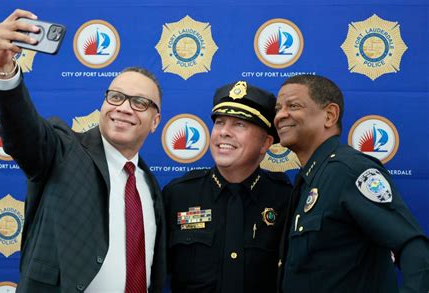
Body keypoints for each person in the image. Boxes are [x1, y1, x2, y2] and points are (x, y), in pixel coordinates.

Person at [0, 9, 166, 293]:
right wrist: (4, 74)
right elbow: (23, 136)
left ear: (155, 122)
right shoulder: (63, 150)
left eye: (140, 102)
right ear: (104, 104)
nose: (124, 108)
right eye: (116, 97)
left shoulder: (149, 186)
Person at [274, 74, 429, 293]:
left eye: (293, 105)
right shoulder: (309, 179)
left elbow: (413, 246)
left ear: (330, 115)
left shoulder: (349, 171)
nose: (281, 115)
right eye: (278, 108)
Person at [163, 81, 292, 292]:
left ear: (266, 143)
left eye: (239, 124)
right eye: (220, 122)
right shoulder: (178, 195)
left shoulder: (285, 198)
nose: (224, 132)